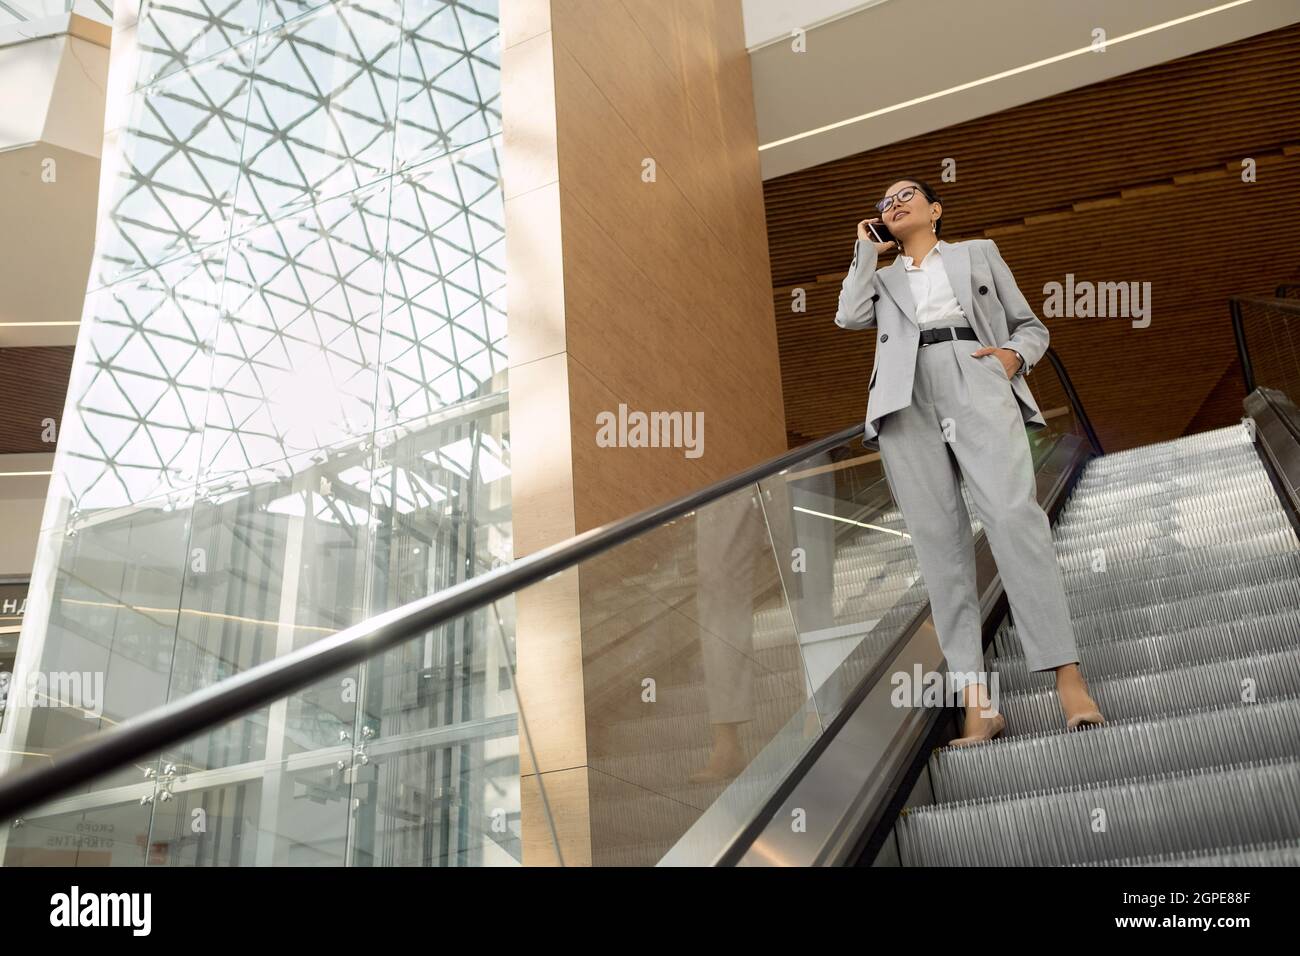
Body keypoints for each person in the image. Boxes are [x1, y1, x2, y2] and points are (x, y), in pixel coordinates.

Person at [834, 178, 1104, 746]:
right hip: (903, 400)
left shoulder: (976, 252)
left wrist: (1011, 358)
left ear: (935, 209)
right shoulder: (880, 279)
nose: (895, 203)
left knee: (1013, 518)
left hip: (974, 372)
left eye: (907, 194)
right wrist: (865, 248)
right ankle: (979, 705)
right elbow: (849, 316)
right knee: (939, 548)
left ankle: (1068, 678)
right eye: (885, 202)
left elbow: (1032, 325)